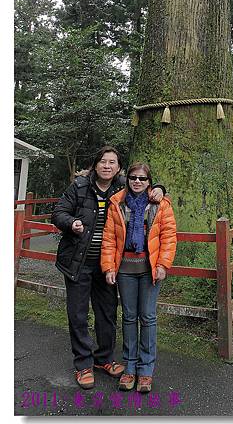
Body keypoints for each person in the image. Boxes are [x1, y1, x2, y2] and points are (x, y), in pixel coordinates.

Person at [51, 146, 166, 390]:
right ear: (95, 164)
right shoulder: (80, 187)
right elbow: (58, 212)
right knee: (78, 314)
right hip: (78, 262)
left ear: (118, 168)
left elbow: (145, 182)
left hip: (109, 265)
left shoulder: (121, 187)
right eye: (102, 161)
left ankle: (104, 358)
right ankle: (83, 364)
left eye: (112, 162)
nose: (107, 166)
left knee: (107, 313)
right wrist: (71, 223)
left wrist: (160, 189)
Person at [101, 162, 177, 393]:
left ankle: (146, 370)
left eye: (142, 179)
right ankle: (130, 367)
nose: (137, 182)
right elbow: (109, 237)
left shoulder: (160, 204)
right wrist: (108, 267)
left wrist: (164, 264)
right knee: (129, 317)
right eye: (133, 177)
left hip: (149, 268)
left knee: (148, 317)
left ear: (149, 182)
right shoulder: (117, 203)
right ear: (127, 179)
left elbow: (169, 236)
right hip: (124, 269)